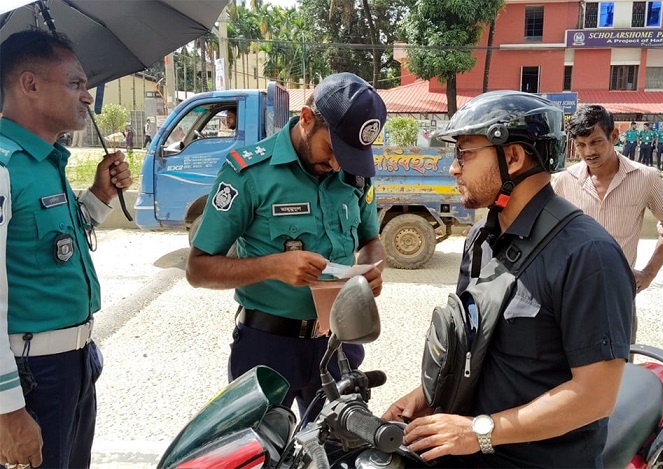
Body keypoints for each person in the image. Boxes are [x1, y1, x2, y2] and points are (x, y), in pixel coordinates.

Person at [383, 91, 634, 468]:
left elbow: (595, 396)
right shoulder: (481, 238)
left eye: (465, 154)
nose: (453, 169)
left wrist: (479, 432)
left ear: (513, 157)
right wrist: (426, 394)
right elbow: (475, 345)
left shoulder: (588, 255)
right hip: (470, 451)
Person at [186, 72, 387, 416]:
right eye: (332, 149)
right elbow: (198, 270)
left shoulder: (354, 175)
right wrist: (273, 267)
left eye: (350, 155)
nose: (337, 164)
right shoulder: (250, 173)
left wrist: (370, 270)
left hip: (337, 343)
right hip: (267, 346)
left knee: (338, 443)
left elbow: (371, 240)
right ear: (306, 118)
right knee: (260, 443)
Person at [0, 30, 132, 469]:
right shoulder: (3, 166)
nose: (88, 96)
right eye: (76, 83)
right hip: (29, 374)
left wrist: (99, 195)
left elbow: (56, 243)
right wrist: (7, 409)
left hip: (74, 363)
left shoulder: (44, 161)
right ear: (30, 84)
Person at [553, 105, 663, 343]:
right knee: (568, 360)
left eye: (596, 142)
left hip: (619, 294)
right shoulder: (564, 181)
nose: (588, 152)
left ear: (613, 136)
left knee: (621, 361)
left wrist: (649, 273)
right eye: (581, 145)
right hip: (571, 294)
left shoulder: (645, 178)